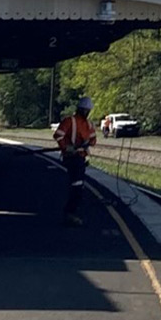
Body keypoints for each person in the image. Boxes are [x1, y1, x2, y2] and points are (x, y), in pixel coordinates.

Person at [54, 96, 98, 225]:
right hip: (71, 157)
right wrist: (66, 147)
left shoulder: (88, 124)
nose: (86, 113)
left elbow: (93, 139)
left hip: (80, 157)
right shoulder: (70, 121)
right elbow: (58, 135)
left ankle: (72, 211)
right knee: (77, 185)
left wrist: (87, 143)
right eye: (85, 110)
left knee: (78, 185)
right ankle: (70, 213)